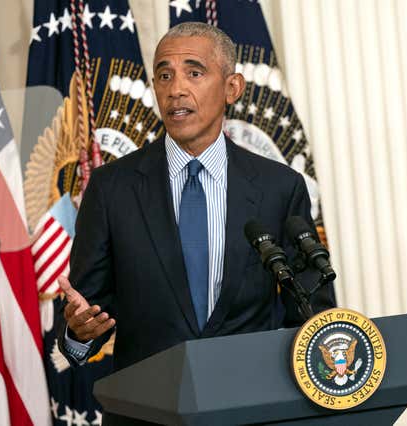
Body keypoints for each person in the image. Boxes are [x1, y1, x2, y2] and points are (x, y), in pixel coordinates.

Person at [58, 22, 336, 424]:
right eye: (164, 75)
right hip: (147, 412)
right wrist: (80, 334)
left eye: (194, 72)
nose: (176, 89)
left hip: (252, 408)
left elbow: (311, 313)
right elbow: (90, 310)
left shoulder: (280, 187)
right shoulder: (110, 188)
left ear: (232, 88)